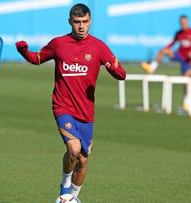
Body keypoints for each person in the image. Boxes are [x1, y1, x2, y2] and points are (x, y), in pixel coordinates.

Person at [15, 3, 126, 202]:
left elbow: (121, 74)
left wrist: (114, 68)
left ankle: (72, 197)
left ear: (90, 21)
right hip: (62, 106)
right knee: (73, 149)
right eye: (77, 22)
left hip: (86, 112)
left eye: (84, 22)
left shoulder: (98, 46)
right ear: (70, 22)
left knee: (82, 160)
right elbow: (37, 58)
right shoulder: (59, 44)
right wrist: (24, 51)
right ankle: (65, 185)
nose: (81, 26)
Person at [141, 15, 191, 111]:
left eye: (184, 22)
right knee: (163, 51)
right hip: (179, 54)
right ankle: (152, 68)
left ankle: (186, 102)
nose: (183, 24)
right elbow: (172, 43)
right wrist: (165, 49)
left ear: (187, 22)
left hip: (188, 59)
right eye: (181, 23)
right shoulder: (179, 33)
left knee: (186, 81)